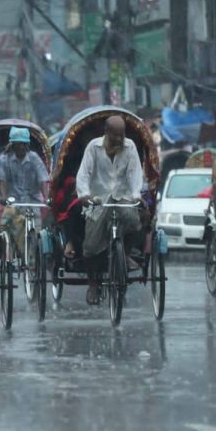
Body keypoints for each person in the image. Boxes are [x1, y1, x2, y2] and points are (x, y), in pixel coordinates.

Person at [76, 115, 144, 305]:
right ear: (106, 133)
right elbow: (84, 174)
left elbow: (134, 174)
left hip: (122, 197)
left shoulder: (129, 147)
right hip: (99, 200)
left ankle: (126, 253)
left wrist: (136, 195)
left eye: (122, 135)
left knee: (134, 221)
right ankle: (93, 285)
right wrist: (84, 194)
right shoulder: (93, 147)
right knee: (90, 247)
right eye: (115, 135)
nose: (119, 140)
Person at [0, 127, 49, 254]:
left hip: (32, 200)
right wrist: (3, 196)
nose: (20, 147)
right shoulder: (3, 159)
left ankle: (34, 256)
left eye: (22, 144)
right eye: (17, 143)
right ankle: (6, 250)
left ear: (26, 144)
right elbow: (1, 180)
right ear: (12, 144)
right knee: (4, 225)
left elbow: (43, 179)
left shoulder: (34, 158)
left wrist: (46, 197)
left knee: (36, 231)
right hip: (13, 200)